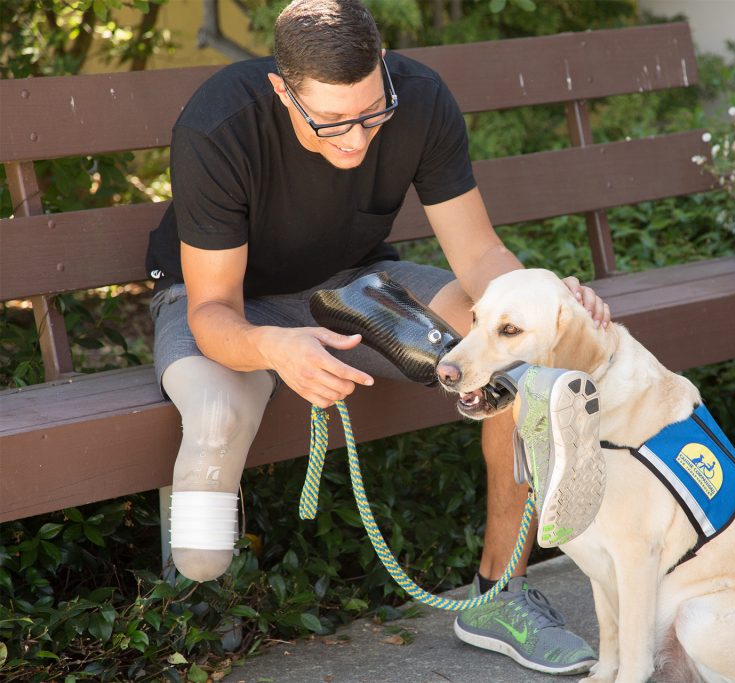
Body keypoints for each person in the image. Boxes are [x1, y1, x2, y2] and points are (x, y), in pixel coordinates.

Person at [144, 0, 610, 675]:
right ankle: (175, 632)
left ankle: (498, 593)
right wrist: (276, 347)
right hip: (219, 298)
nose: (356, 141)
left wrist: (543, 302)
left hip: (354, 286)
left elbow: (480, 259)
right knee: (213, 442)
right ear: (282, 89)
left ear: (385, 69)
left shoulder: (418, 101)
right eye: (330, 122)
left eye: (371, 114)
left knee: (522, 361)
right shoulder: (219, 123)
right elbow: (213, 308)